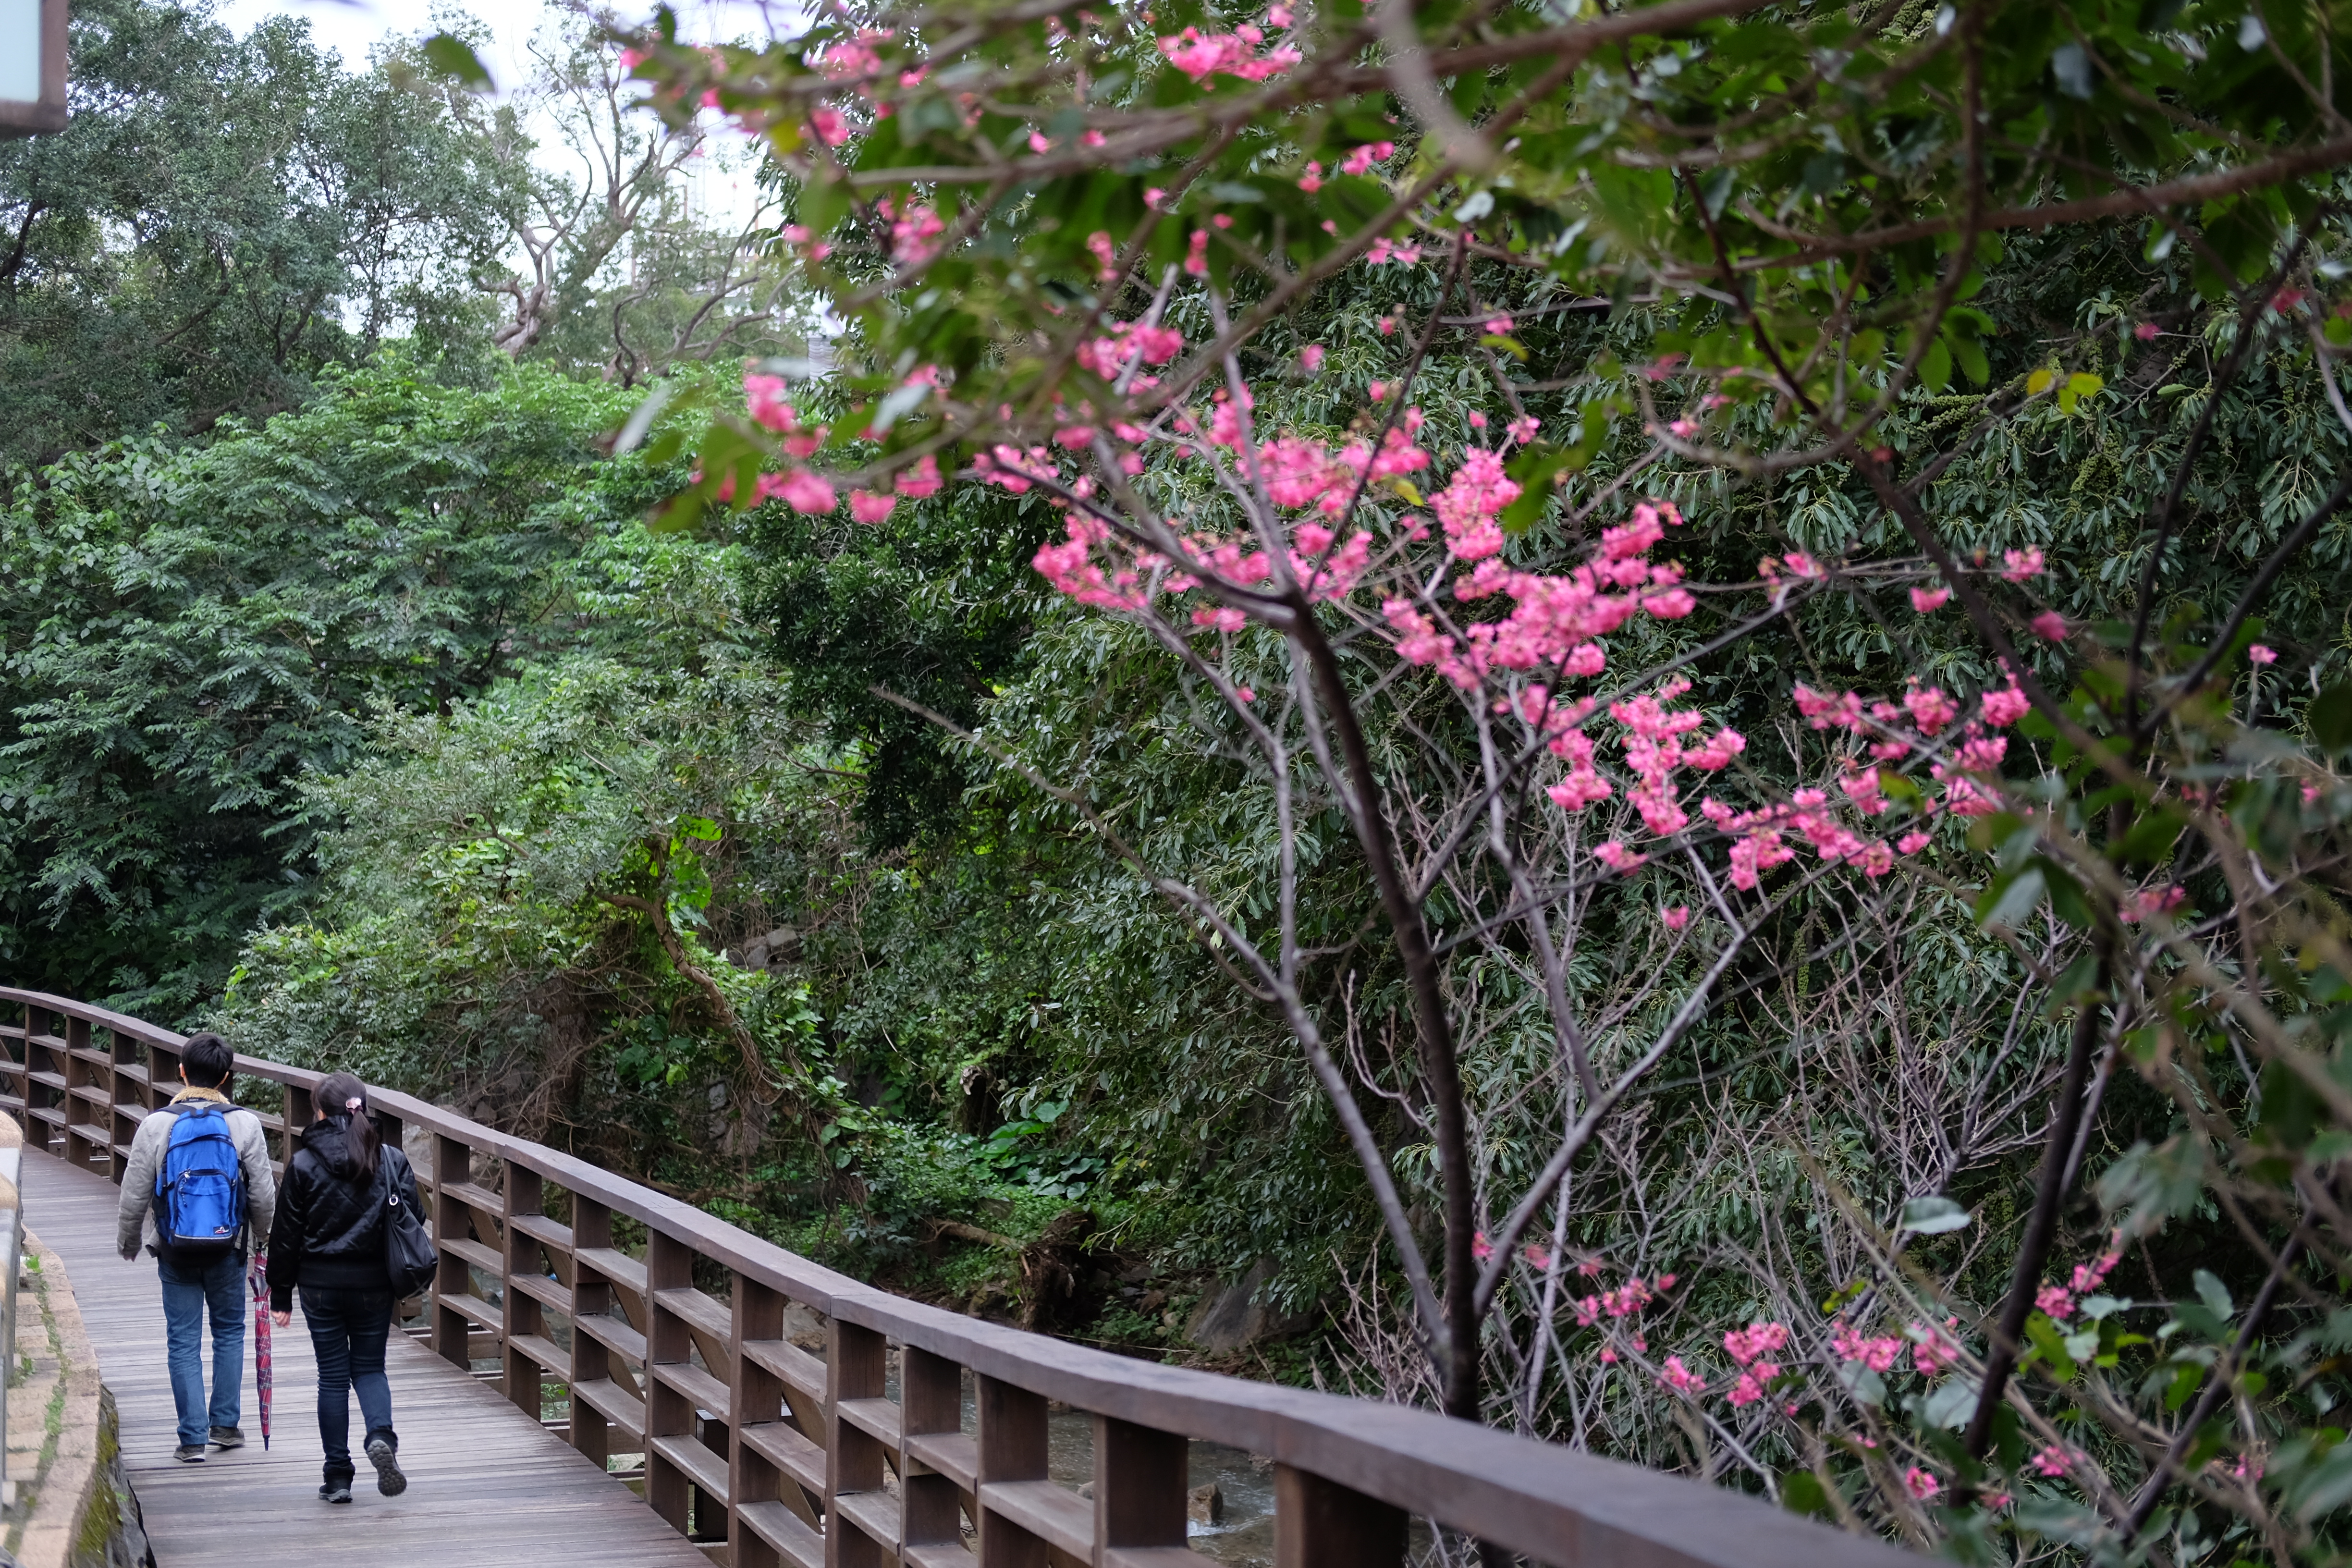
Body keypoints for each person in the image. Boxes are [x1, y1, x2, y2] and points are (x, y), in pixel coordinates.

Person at [116, 1031, 280, 1464]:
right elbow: (263, 1194)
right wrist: (263, 1240)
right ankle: (225, 1426)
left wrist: (129, 1242)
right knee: (229, 1332)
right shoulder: (244, 1124)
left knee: (183, 1341)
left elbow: (133, 1193)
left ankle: (191, 1440)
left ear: (182, 1071)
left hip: (175, 1248)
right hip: (229, 1248)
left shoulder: (157, 1124)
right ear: (227, 1076)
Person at [267, 1071, 419, 1505]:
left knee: (331, 1378)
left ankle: (337, 1477)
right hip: (374, 1283)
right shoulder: (391, 1159)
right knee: (370, 1368)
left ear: (319, 1111)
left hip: (319, 1285)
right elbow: (415, 1219)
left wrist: (280, 1295)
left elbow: (286, 1235)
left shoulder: (303, 1164)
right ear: (363, 1108)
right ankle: (382, 1437)